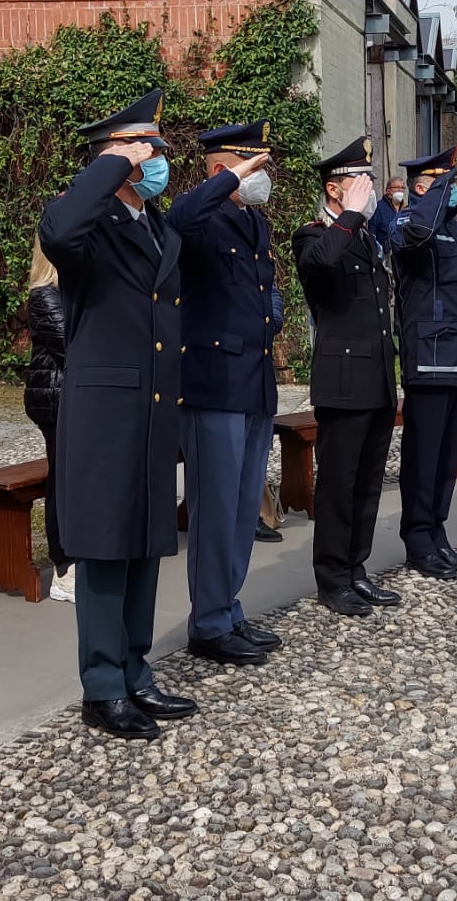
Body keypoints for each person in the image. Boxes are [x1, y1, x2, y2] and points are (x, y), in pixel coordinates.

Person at [37, 88, 203, 740]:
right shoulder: (87, 221)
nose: (157, 158)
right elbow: (58, 230)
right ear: (114, 156)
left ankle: (136, 671)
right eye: (145, 148)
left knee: (143, 545)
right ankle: (102, 686)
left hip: (154, 406)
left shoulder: (154, 224)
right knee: (106, 551)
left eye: (156, 147)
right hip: (105, 412)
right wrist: (109, 163)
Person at [168, 120, 282, 665]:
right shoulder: (202, 218)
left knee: (242, 509)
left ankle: (227, 606)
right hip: (214, 385)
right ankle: (208, 622)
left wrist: (273, 317)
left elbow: (268, 289)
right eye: (254, 167)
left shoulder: (250, 221)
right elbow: (178, 217)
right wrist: (225, 180)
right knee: (215, 510)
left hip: (254, 381)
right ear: (223, 170)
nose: (265, 177)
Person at [292, 136, 402, 617]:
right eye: (359, 181)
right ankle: (332, 578)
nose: (369, 188)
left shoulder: (365, 237)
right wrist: (352, 217)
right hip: (343, 383)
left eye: (370, 180)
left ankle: (357, 569)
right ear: (334, 191)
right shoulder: (315, 235)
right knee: (338, 484)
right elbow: (320, 266)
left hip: (376, 378)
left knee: (368, 483)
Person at [388, 147, 457, 581]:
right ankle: (418, 540)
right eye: (444, 183)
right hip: (429, 360)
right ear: (422, 187)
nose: (453, 192)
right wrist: (433, 196)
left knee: (446, 459)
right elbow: (418, 231)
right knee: (423, 458)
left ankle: (437, 532)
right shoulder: (409, 222)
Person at [23, 237, 73, 603]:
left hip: (77, 399)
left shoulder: (74, 289)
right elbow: (70, 344)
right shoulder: (45, 295)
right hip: (56, 400)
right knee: (64, 482)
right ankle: (63, 568)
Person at [369, 173, 409, 250]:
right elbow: (372, 233)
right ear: (388, 191)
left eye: (402, 188)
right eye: (397, 187)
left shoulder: (406, 209)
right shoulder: (378, 208)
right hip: (386, 255)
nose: (400, 190)